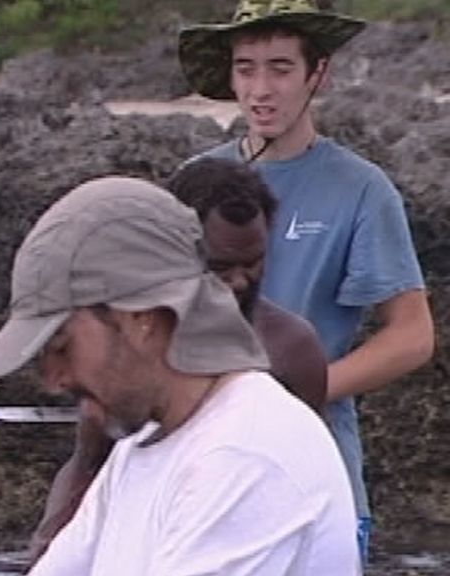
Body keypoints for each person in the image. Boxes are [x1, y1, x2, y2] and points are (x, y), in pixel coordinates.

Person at [0, 176, 359, 575]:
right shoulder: (141, 445)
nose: (55, 380)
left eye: (62, 347)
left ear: (141, 319)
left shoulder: (245, 453)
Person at [178, 0, 434, 562]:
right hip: (205, 476)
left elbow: (412, 335)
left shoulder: (362, 189)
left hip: (319, 476)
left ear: (319, 73)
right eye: (246, 68)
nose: (261, 89)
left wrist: (302, 392)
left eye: (281, 68)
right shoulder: (195, 181)